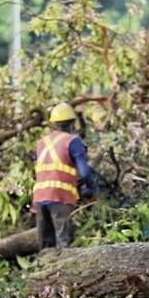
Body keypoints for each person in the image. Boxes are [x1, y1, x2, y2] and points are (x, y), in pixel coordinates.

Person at [32, 102, 97, 249]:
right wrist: (91, 189)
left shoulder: (41, 143)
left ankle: (44, 270)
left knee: (46, 244)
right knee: (63, 242)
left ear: (53, 123)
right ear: (73, 124)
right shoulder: (73, 142)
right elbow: (85, 173)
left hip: (40, 195)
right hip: (60, 196)